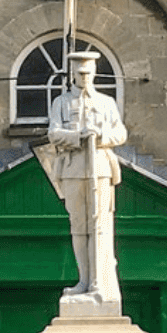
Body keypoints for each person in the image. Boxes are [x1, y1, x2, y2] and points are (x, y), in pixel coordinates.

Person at [46, 50, 127, 310]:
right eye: (79, 74)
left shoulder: (106, 102)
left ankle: (99, 282)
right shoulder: (60, 102)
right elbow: (53, 133)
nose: (84, 78)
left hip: (100, 169)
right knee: (79, 227)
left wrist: (100, 135)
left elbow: (120, 133)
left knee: (99, 226)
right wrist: (78, 137)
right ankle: (83, 281)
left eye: (88, 73)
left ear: (94, 73)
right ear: (73, 74)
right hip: (72, 168)